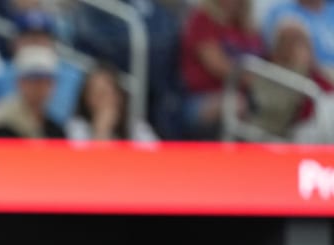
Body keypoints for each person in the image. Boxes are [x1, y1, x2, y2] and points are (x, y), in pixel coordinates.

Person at [178, 0, 264, 139]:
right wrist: (253, 79)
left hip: (245, 97)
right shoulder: (202, 19)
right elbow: (217, 65)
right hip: (199, 99)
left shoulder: (250, 28)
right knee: (237, 105)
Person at [0, 45, 66, 138]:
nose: (40, 87)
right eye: (35, 80)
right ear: (20, 83)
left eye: (47, 81)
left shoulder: (53, 128)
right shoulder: (1, 121)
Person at [65, 63, 158, 142]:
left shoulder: (137, 128)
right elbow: (84, 162)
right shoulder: (76, 128)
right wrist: (101, 130)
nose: (103, 100)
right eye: (96, 93)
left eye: (106, 92)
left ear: (119, 96)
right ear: (86, 99)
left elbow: (156, 158)